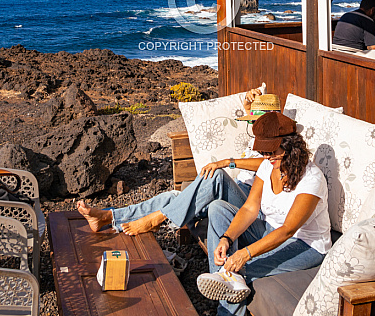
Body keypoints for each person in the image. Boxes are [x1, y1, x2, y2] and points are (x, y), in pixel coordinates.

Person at [194, 110, 331, 316]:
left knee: (237, 274)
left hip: (304, 245)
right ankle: (223, 278)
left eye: (272, 152)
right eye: (264, 152)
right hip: (269, 229)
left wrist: (245, 253)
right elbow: (248, 208)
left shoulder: (311, 178)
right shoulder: (268, 166)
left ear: (290, 146)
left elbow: (288, 230)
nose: (267, 157)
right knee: (219, 208)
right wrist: (227, 239)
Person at [76, 88, 273, 236]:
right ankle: (107, 218)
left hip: (249, 201)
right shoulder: (258, 134)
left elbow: (264, 165)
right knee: (172, 197)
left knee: (217, 176)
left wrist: (228, 162)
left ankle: (157, 218)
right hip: (236, 190)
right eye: (253, 120)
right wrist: (250, 105)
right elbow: (252, 122)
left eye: (257, 120)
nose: (253, 124)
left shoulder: (278, 145)